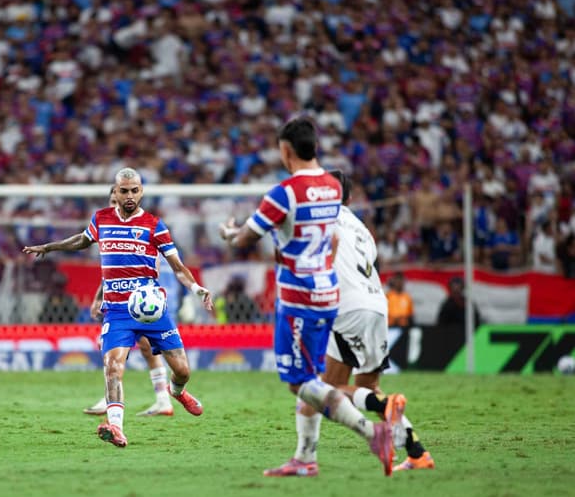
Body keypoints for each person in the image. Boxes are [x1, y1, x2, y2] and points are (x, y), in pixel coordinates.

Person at [218, 117, 402, 477]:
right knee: (314, 377)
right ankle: (305, 457)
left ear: (286, 151)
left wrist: (229, 233)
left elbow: (245, 239)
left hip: (299, 296)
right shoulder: (333, 187)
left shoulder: (284, 192)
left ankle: (372, 431)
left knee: (300, 382)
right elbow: (331, 240)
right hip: (328, 292)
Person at [24, 167, 214, 448]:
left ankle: (177, 392)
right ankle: (116, 427)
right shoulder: (101, 219)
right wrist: (50, 248)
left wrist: (197, 288)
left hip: (152, 311)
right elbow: (81, 240)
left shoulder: (154, 225)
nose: (129, 196)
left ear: (141, 192)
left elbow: (178, 267)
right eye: (123, 191)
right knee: (113, 367)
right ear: (115, 192)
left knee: (183, 370)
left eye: (134, 190)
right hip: (118, 312)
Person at [320, 170, 434, 473]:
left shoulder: (322, 219)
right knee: (368, 388)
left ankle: (387, 406)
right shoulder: (362, 229)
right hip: (377, 306)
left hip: (347, 307)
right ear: (350, 198)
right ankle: (417, 452)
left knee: (325, 390)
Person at [83, 186, 175, 417]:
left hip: (141, 300)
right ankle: (162, 400)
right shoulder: (110, 227)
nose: (118, 204)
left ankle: (116, 399)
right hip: (126, 300)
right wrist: (98, 297)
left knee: (118, 350)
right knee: (142, 349)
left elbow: (139, 269)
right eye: (114, 200)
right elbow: (112, 274)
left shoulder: (142, 227)